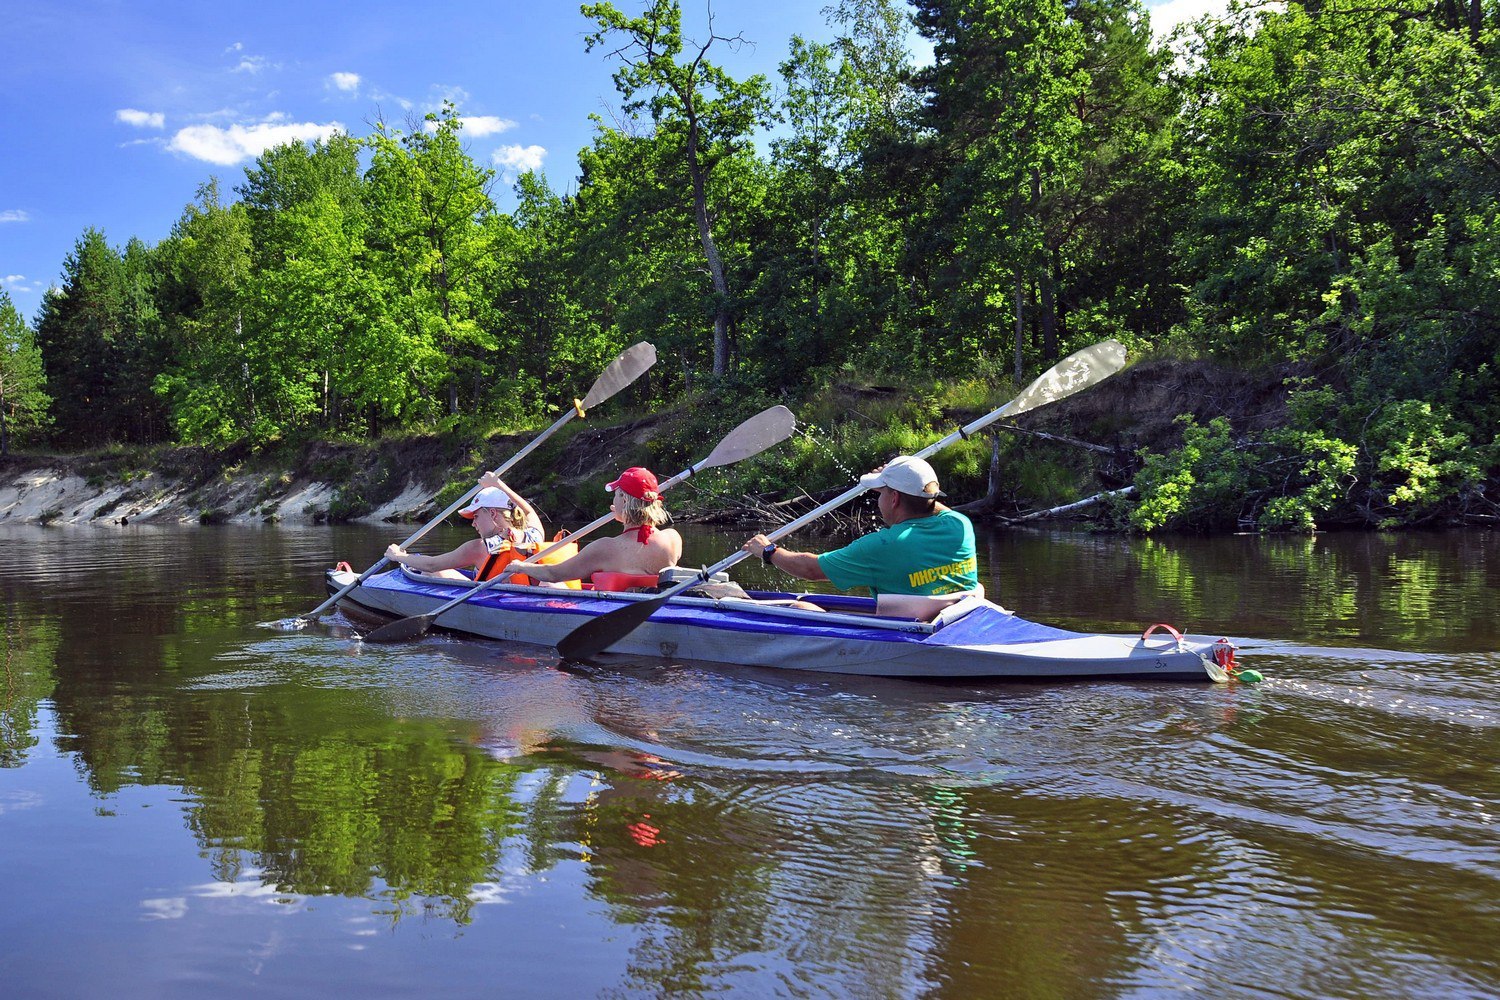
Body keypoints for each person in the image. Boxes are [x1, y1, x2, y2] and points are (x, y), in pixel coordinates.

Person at [740, 455, 983, 620]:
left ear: (895, 499)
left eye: (882, 494)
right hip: (958, 618)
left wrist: (768, 551)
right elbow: (926, 500)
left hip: (907, 631)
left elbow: (810, 570)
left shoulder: (882, 546)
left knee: (800, 607)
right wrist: (891, 485)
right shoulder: (960, 525)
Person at [497, 466, 682, 588]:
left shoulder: (605, 548)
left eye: (617, 495)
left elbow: (552, 573)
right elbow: (641, 540)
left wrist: (521, 567)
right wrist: (624, 517)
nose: (614, 499)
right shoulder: (673, 539)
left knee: (549, 586)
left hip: (612, 616)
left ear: (624, 500)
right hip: (651, 607)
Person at [385, 472, 545, 581]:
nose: (473, 523)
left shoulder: (480, 547)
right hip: (519, 596)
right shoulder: (534, 535)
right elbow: (528, 511)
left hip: (491, 602)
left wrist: (397, 556)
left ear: (493, 514)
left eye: (476, 516)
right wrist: (498, 484)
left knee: (428, 571)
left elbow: (432, 564)